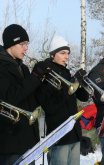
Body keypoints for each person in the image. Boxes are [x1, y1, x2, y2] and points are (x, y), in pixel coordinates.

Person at [36, 36, 90, 165]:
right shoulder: (45, 74)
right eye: (63, 53)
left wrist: (80, 82)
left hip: (74, 133)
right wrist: (70, 84)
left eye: (68, 54)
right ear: (52, 54)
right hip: (58, 135)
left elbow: (84, 97)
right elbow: (49, 106)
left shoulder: (66, 72)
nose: (67, 57)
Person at [0, 24, 49, 165]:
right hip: (10, 145)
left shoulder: (23, 68)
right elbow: (9, 98)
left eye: (26, 44)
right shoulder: (1, 68)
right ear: (11, 44)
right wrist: (34, 78)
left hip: (28, 142)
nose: (26, 48)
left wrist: (42, 82)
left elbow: (32, 102)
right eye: (22, 44)